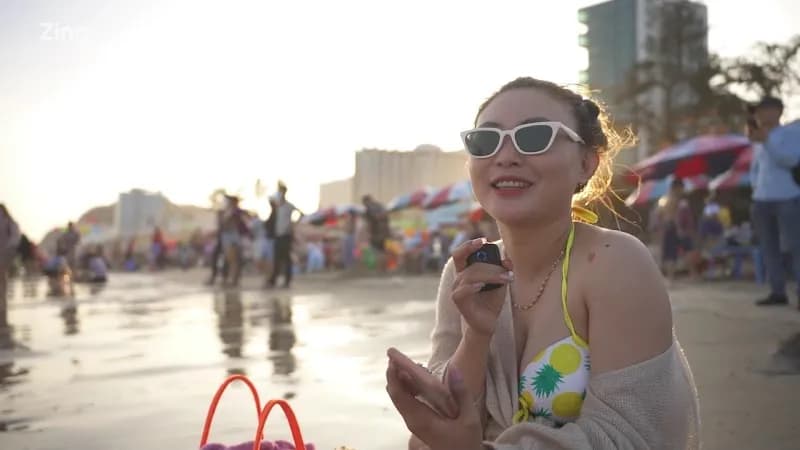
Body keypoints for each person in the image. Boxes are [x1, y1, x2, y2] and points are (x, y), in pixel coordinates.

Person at [384, 77, 699, 450]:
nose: (505, 156)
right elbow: (448, 424)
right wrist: (476, 335)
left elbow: (631, 436)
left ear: (586, 163)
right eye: (485, 142)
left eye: (534, 137)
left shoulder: (613, 263)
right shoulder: (466, 271)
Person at [748, 96, 800, 307]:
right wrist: (755, 188)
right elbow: (755, 168)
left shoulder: (791, 132)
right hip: (762, 199)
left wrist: (767, 142)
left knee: (795, 246)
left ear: (778, 111)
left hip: (787, 197)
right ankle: (777, 291)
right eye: (758, 111)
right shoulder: (759, 139)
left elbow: (790, 160)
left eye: (764, 110)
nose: (760, 114)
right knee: (769, 247)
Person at [268, 183, 303, 289]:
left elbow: (300, 213)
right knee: (277, 258)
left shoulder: (289, 206)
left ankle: (287, 280)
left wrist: (293, 224)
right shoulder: (277, 206)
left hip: (286, 235)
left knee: (286, 259)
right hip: (278, 235)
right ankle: (273, 280)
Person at [362, 194, 390, 271]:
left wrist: (369, 233)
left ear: (366, 201)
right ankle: (383, 268)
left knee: (376, 250)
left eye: (364, 203)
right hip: (385, 232)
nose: (364, 205)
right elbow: (386, 218)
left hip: (377, 233)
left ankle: (378, 268)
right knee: (383, 250)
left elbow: (369, 223)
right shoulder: (381, 206)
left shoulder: (369, 208)